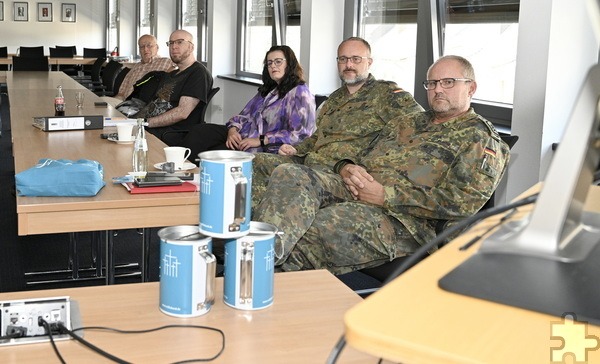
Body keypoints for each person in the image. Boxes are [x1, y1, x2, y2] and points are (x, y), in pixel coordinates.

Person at [252, 55, 510, 275]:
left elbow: (461, 202)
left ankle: (259, 282)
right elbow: (361, 155)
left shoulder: (481, 140)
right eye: (432, 83)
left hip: (405, 221)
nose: (438, 89)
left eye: (448, 82)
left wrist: (385, 196)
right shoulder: (408, 122)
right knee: (290, 174)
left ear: (471, 88)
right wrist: (346, 166)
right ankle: (255, 264)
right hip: (354, 189)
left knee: (313, 226)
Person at [251, 37, 423, 207]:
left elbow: (420, 129)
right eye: (343, 59)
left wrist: (372, 166)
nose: (349, 65)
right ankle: (249, 224)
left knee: (289, 174)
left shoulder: (387, 95)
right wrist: (296, 149)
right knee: (256, 162)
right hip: (313, 161)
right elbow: (319, 136)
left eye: (356, 59)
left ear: (369, 62)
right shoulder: (334, 99)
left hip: (343, 175)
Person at [180, 45, 316, 161]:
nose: (273, 66)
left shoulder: (300, 92)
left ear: (289, 64)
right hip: (243, 135)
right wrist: (233, 130)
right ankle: (181, 170)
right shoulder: (270, 89)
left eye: (278, 61)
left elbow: (301, 135)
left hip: (265, 146)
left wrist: (261, 139)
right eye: (269, 63)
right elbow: (243, 115)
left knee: (213, 154)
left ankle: (191, 180)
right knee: (200, 131)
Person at [135, 29, 213, 143]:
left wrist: (145, 122)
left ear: (191, 47)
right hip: (143, 125)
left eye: (180, 42)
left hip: (166, 133)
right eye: (171, 43)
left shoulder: (198, 73)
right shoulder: (172, 74)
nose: (174, 47)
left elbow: (182, 113)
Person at [103, 34, 174, 106]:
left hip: (144, 106)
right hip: (125, 104)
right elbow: (121, 94)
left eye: (149, 46)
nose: (145, 49)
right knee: (101, 102)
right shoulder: (136, 67)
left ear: (157, 47)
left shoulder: (166, 63)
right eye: (142, 47)